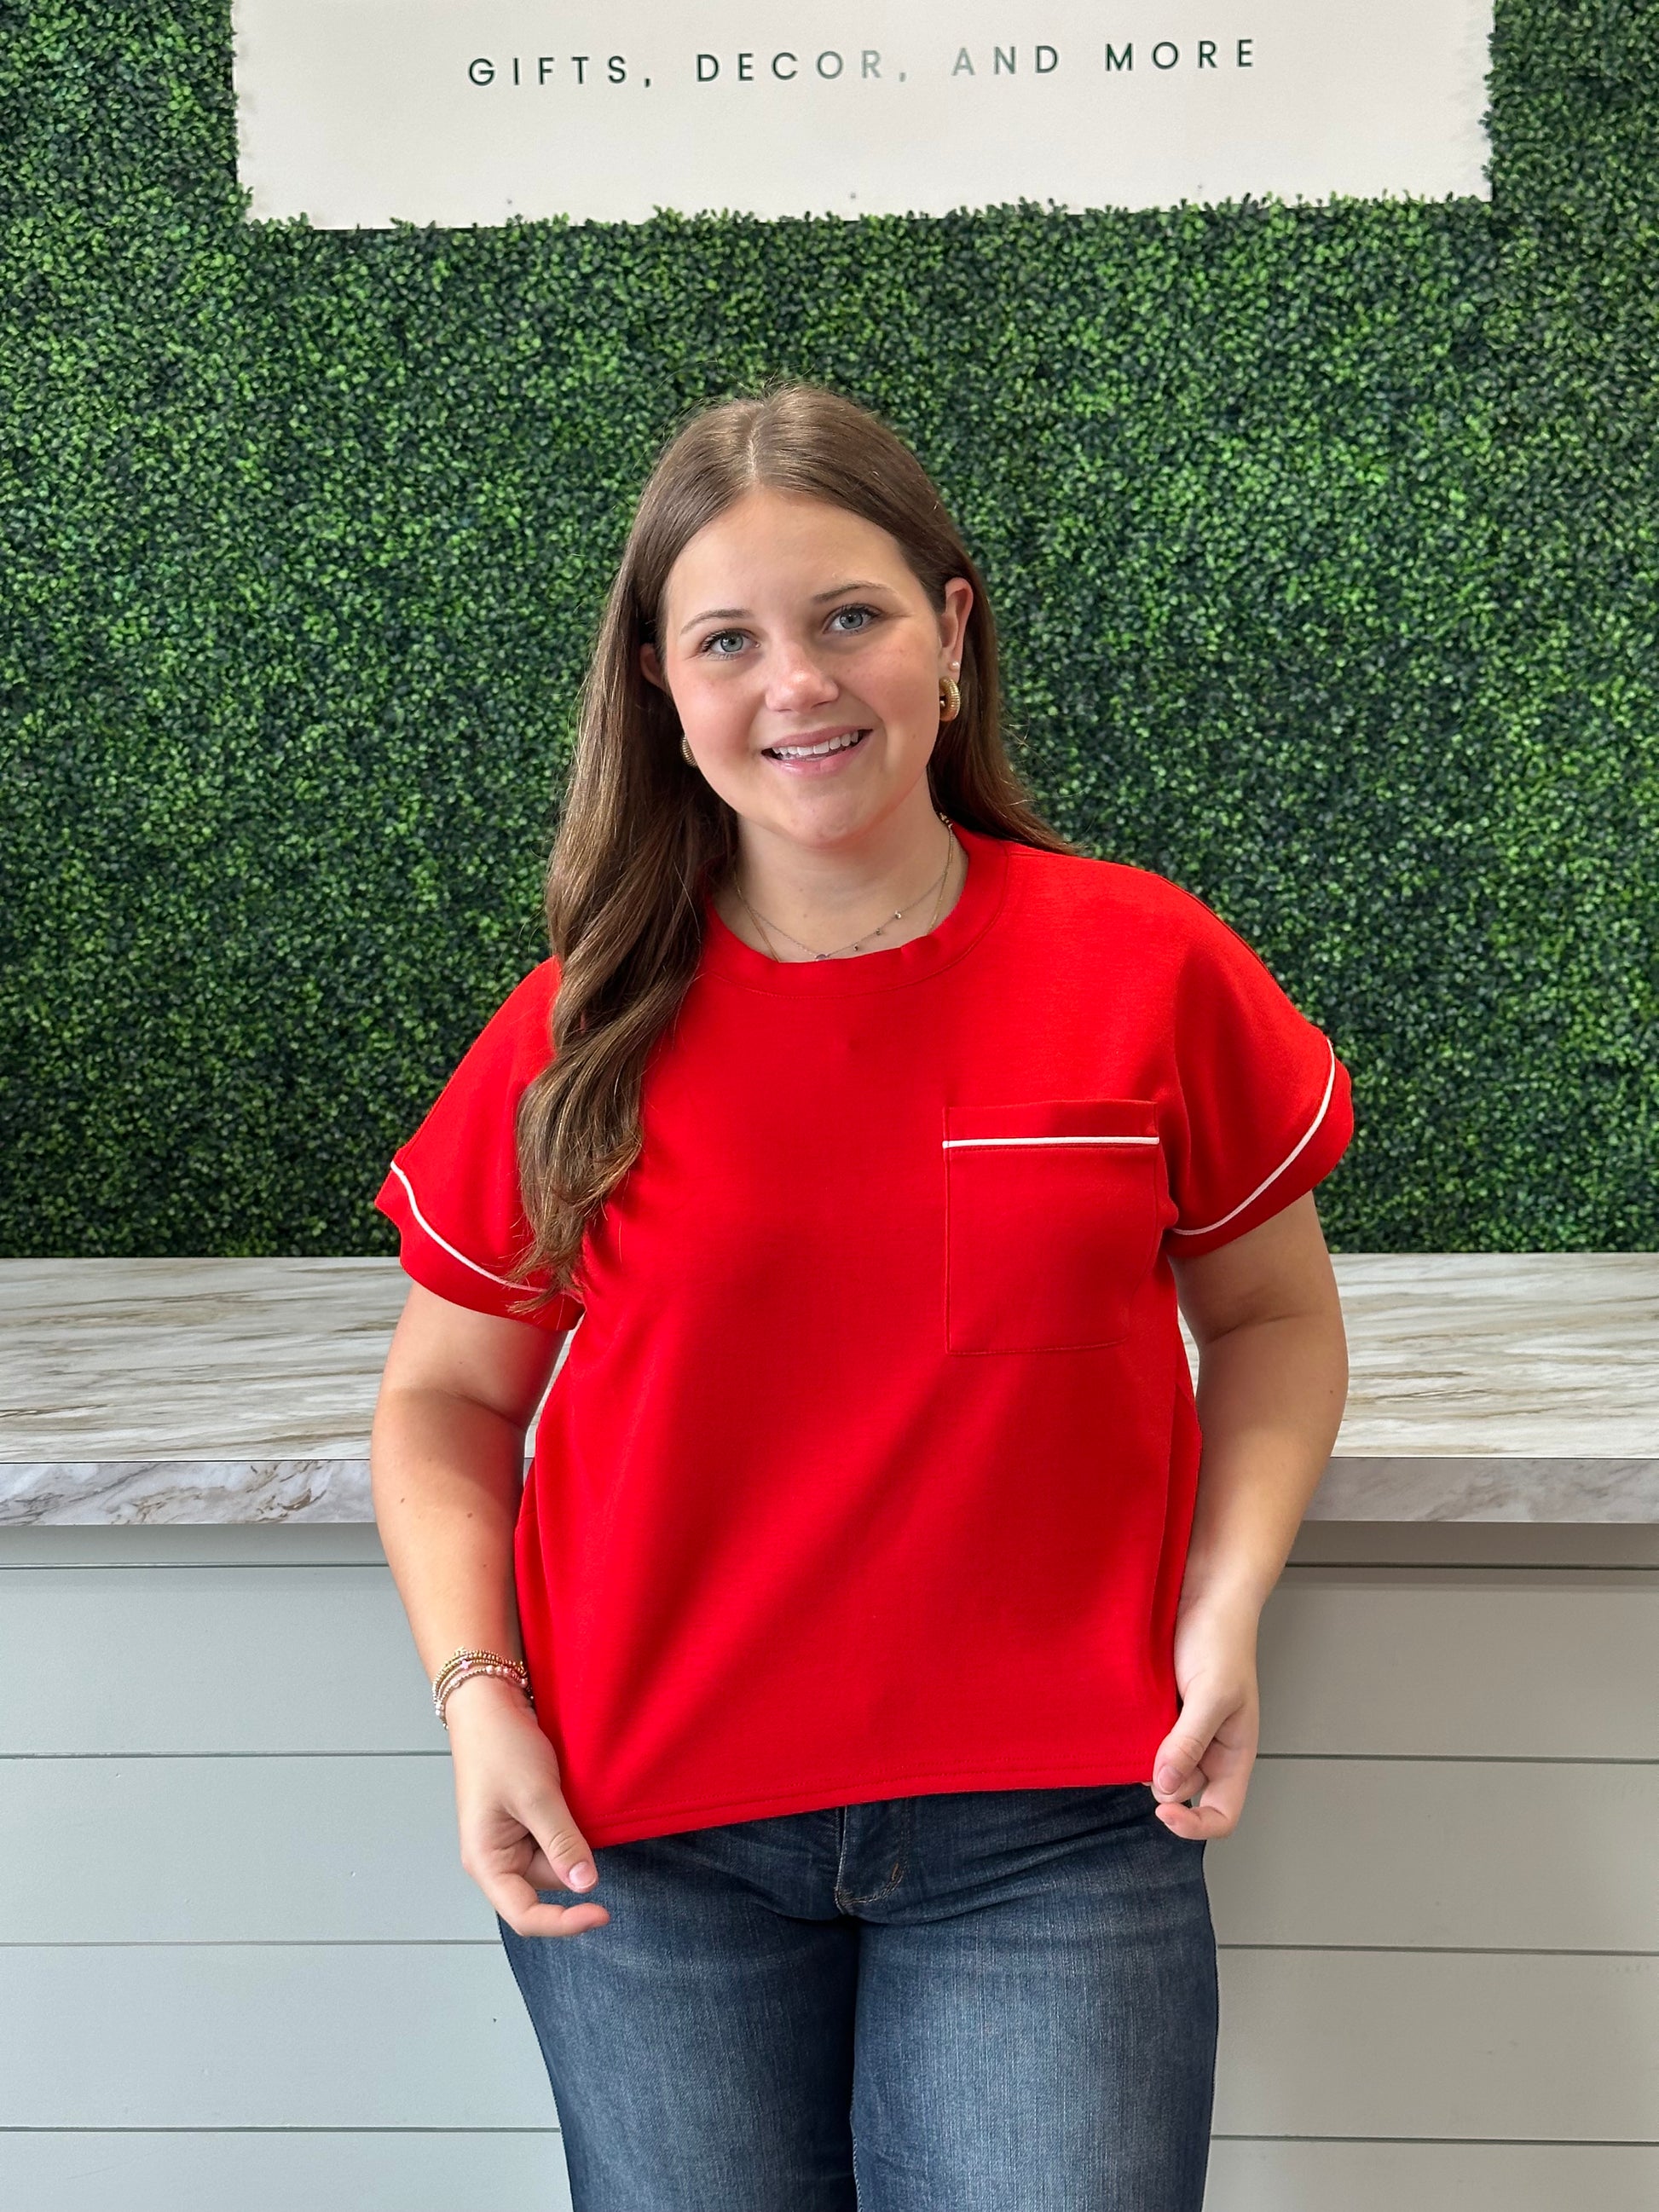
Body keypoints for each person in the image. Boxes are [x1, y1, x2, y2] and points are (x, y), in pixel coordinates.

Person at [369, 378, 1354, 2212]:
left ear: (950, 635)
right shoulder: (579, 1029)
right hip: (644, 1833)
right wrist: (478, 1695)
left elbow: (1274, 1321)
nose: (797, 684)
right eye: (726, 640)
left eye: (848, 617)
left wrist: (1224, 1610)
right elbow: (444, 1400)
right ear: (661, 691)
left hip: (1061, 1824)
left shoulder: (1144, 964)